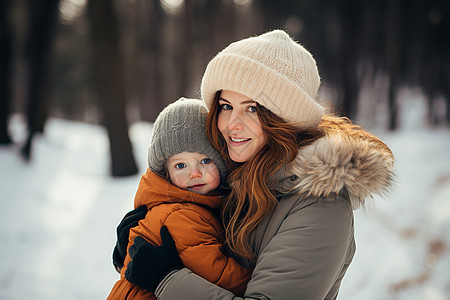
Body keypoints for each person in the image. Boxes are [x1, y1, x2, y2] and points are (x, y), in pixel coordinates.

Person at [113, 30, 394, 299]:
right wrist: (140, 246)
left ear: (286, 118)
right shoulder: (235, 173)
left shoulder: (320, 206)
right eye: (225, 106)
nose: (232, 125)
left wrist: (164, 278)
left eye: (252, 109)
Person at [107, 98, 252, 299]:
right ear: (165, 173)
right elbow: (216, 275)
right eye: (180, 166)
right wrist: (252, 278)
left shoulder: (196, 206)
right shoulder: (181, 214)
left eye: (205, 160)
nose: (194, 173)